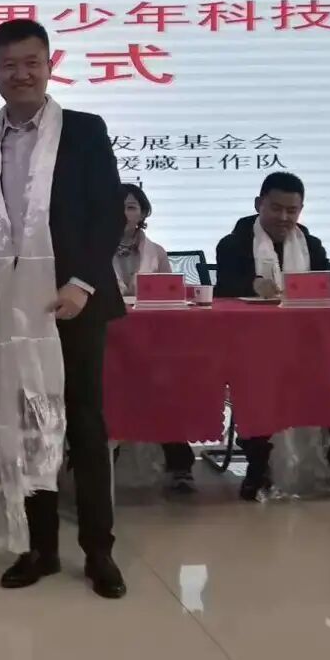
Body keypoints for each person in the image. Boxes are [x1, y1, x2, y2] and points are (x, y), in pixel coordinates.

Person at [0, 19, 127, 599]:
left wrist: (82, 283)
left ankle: (100, 551)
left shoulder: (83, 131)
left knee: (83, 425)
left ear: (50, 65)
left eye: (31, 62)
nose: (21, 74)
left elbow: (109, 212)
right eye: (9, 65)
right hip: (10, 309)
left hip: (73, 303)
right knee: (26, 427)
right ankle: (41, 548)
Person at [214, 171, 330, 501]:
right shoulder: (233, 244)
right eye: (276, 208)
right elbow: (222, 292)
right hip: (252, 345)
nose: (284, 217)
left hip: (307, 343)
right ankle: (259, 468)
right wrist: (253, 285)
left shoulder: (310, 244)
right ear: (259, 204)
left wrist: (327, 287)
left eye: (292, 210)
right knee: (256, 383)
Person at [112, 184, 196, 493]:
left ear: (143, 213)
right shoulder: (89, 249)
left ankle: (180, 465)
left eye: (131, 207)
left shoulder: (156, 252)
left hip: (151, 341)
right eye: (117, 206)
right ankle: (102, 463)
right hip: (107, 340)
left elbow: (170, 298)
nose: (123, 213)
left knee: (165, 386)